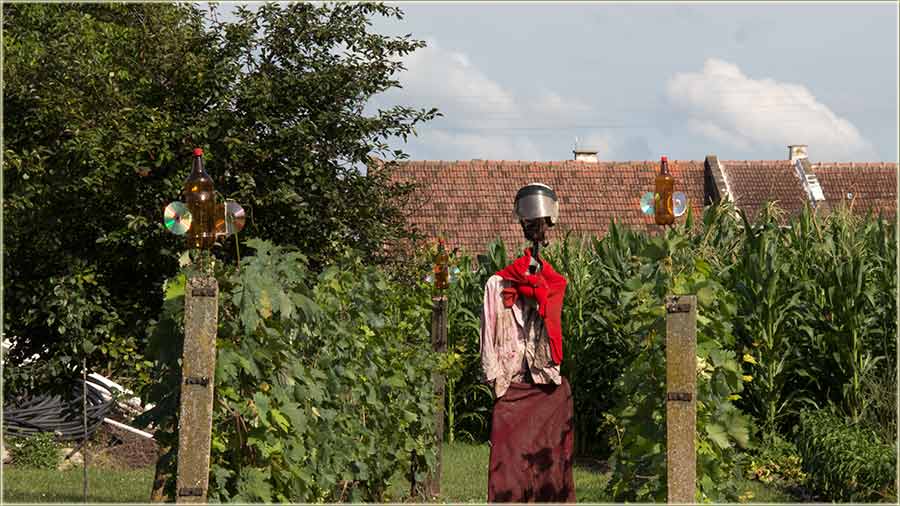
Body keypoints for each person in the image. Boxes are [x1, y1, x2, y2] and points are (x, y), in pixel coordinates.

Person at [480, 183, 575, 503]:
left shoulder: (553, 284)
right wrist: (498, 385)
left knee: (548, 466)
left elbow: (554, 335)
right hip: (510, 386)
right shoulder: (496, 285)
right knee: (508, 468)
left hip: (545, 386)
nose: (538, 230)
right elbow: (487, 341)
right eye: (532, 223)